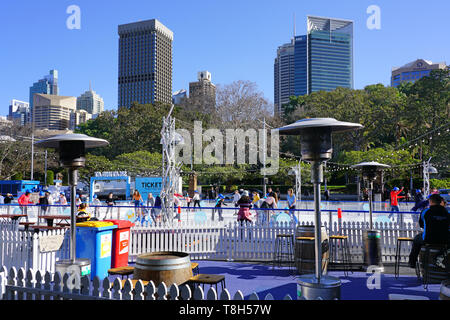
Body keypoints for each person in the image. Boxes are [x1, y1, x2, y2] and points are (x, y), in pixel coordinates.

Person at [408, 194, 450, 268]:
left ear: (430, 201)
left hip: (428, 239)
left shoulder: (425, 211)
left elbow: (421, 225)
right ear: (440, 202)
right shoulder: (447, 212)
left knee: (417, 239)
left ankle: (412, 262)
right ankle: (441, 257)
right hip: (445, 240)